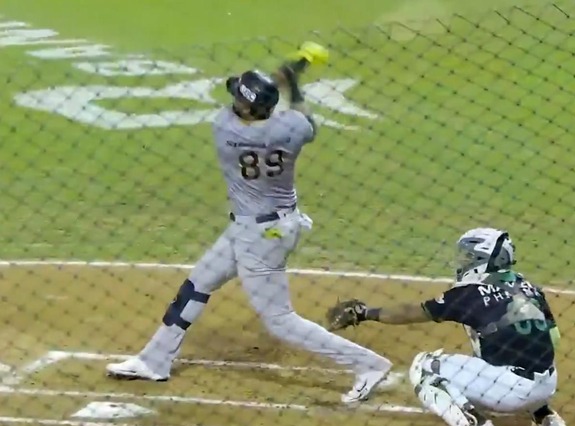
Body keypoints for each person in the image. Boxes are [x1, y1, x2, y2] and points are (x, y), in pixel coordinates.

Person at [105, 44, 392, 404]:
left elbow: (252, 100)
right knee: (198, 283)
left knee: (280, 320)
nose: (234, 101)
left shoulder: (224, 128)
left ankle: (368, 365)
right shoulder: (290, 129)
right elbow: (308, 122)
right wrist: (294, 81)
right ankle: (154, 360)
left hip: (261, 238)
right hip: (267, 225)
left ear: (245, 108)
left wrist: (286, 72)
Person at [325, 227, 567, 426]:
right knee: (501, 346)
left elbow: (411, 312)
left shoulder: (470, 293)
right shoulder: (529, 287)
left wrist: (365, 313)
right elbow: (553, 337)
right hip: (546, 384)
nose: (464, 262)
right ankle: (546, 417)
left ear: (484, 260)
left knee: (424, 367)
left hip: (511, 391)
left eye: (470, 257)